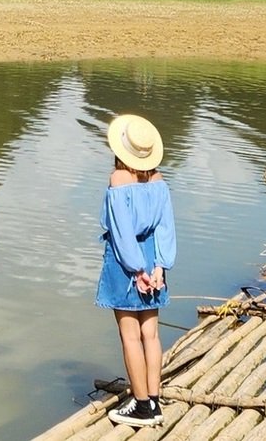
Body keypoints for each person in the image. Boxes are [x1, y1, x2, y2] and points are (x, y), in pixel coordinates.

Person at [98, 113, 177, 427]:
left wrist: (136, 271)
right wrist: (159, 266)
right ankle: (154, 400)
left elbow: (120, 232)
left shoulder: (118, 181)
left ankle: (142, 405)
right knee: (151, 334)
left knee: (130, 336)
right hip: (152, 259)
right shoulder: (158, 181)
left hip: (126, 261)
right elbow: (164, 228)